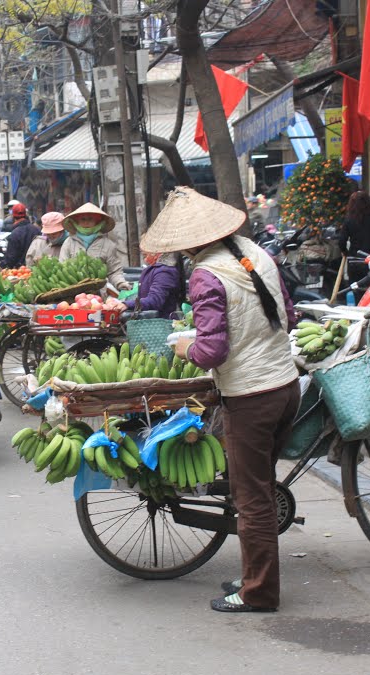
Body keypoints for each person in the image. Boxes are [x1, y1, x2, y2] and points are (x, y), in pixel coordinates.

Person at [144, 187, 300, 614]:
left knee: (251, 500)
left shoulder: (206, 273)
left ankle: (259, 593)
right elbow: (289, 312)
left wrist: (185, 349)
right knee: (261, 492)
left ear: (190, 242)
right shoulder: (255, 253)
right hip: (286, 386)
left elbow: (212, 352)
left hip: (251, 396)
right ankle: (255, 576)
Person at [59, 202, 130, 290]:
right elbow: (62, 267)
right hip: (73, 293)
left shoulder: (108, 244)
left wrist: (120, 283)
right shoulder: (69, 243)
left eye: (90, 219)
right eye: (83, 219)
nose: (86, 222)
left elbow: (114, 271)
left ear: (97, 222)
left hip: (99, 293)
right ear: (77, 222)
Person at [123, 250, 186, 318]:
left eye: (145, 256)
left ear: (157, 253)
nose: (145, 260)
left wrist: (126, 304)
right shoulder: (155, 269)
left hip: (161, 323)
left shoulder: (165, 272)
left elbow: (155, 300)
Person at [0, 203, 38, 269]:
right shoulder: (36, 230)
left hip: (20, 271)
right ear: (25, 214)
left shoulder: (15, 233)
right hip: (36, 267)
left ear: (13, 216)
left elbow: (11, 258)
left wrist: (2, 264)